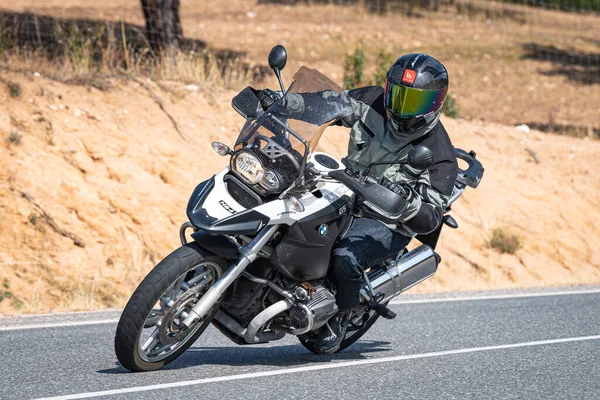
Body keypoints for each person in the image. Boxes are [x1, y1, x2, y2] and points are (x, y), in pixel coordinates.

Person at [259, 54, 458, 354]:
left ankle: (342, 315)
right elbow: (329, 103)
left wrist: (405, 201)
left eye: (413, 101)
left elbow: (430, 217)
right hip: (345, 190)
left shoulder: (439, 154)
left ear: (433, 104)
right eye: (397, 94)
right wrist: (284, 101)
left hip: (387, 221)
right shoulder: (374, 101)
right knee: (285, 216)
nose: (401, 106)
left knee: (344, 258)